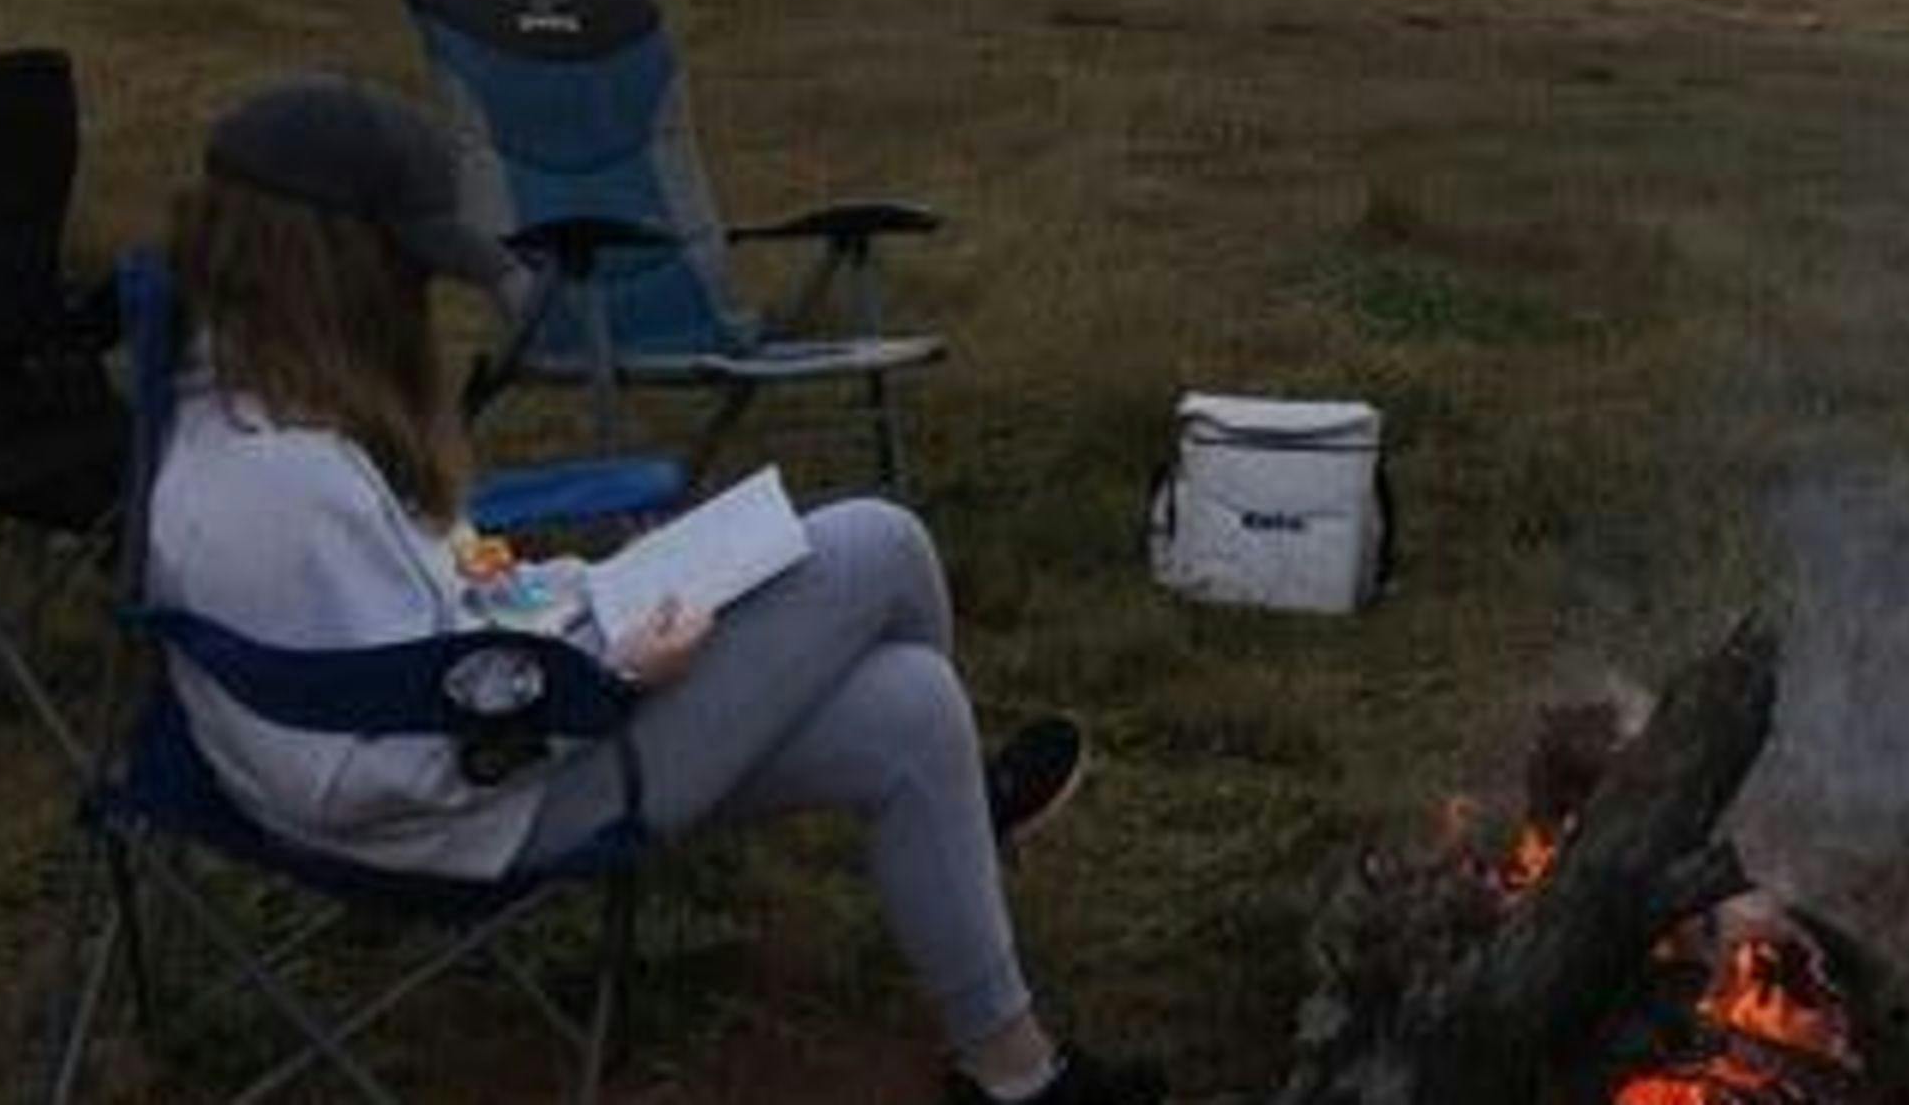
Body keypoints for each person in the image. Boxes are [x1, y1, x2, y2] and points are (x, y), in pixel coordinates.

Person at [143, 76, 1159, 1105]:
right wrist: (606, 674)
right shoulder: (280, 490)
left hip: (494, 741)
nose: (416, 300)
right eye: (406, 269)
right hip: (472, 815)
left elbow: (417, 644)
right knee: (876, 543)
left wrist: (583, 595)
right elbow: (389, 763)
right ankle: (965, 839)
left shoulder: (252, 414)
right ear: (337, 269)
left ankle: (1014, 1073)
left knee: (911, 706)